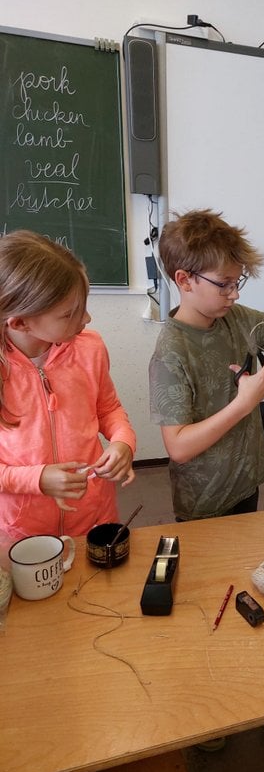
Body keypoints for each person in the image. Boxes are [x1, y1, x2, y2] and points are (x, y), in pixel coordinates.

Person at [149, 208, 264, 523]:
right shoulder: (171, 353)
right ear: (184, 280)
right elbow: (178, 447)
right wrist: (245, 403)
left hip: (244, 479)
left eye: (238, 282)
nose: (234, 294)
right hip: (205, 497)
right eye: (224, 284)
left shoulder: (234, 318)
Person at [0, 230, 136, 554]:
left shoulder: (90, 348)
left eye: (83, 306)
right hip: (22, 531)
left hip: (94, 514)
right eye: (69, 313)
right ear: (20, 323)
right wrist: (36, 479)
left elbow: (108, 409)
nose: (86, 318)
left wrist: (123, 442)